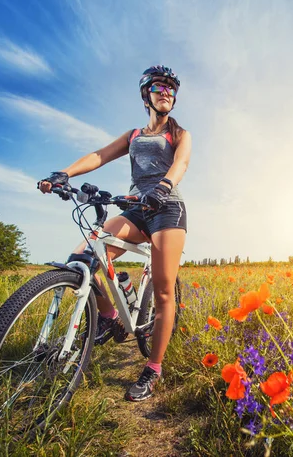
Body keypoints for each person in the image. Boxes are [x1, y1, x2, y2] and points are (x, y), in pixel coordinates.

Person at [38, 65, 191, 401]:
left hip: (167, 208)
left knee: (164, 292)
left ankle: (153, 368)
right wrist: (63, 173)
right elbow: (99, 155)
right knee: (84, 255)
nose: (165, 92)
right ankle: (109, 316)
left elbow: (180, 163)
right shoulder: (133, 135)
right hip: (136, 207)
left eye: (170, 88)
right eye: (158, 87)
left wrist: (165, 185)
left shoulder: (179, 134)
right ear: (146, 94)